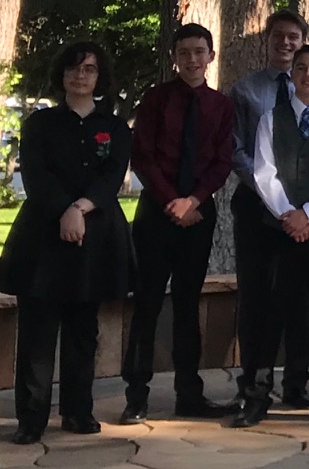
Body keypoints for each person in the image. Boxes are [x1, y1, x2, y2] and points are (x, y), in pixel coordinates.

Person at [1, 43, 132, 443]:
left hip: (95, 237)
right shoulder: (40, 125)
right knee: (38, 333)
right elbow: (37, 176)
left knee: (83, 330)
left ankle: (78, 411)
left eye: (89, 70)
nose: (81, 76)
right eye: (74, 69)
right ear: (62, 75)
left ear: (99, 77)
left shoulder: (116, 127)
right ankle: (31, 418)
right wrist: (65, 210)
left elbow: (112, 178)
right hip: (44, 237)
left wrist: (81, 208)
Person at [120, 23, 236, 423]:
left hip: (200, 214)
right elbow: (144, 156)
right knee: (147, 303)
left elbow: (222, 161)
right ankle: (136, 395)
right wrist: (172, 200)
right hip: (156, 212)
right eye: (184, 52)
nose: (191, 59)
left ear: (210, 56)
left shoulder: (221, 105)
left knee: (188, 305)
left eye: (199, 51)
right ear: (174, 56)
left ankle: (190, 394)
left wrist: (193, 200)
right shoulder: (155, 99)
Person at [233, 44, 309, 428]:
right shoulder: (271, 118)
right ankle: (256, 395)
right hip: (279, 231)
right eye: (302, 68)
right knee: (270, 314)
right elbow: (263, 173)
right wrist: (289, 215)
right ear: (293, 73)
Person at [228, 9, 309, 410]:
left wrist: (302, 208)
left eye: (293, 37)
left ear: (303, 41)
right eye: (278, 36)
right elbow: (237, 151)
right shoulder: (246, 91)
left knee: (300, 297)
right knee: (256, 296)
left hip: (305, 212)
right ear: (268, 40)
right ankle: (253, 384)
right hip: (256, 207)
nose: (286, 43)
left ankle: (296, 383)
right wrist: (272, 196)